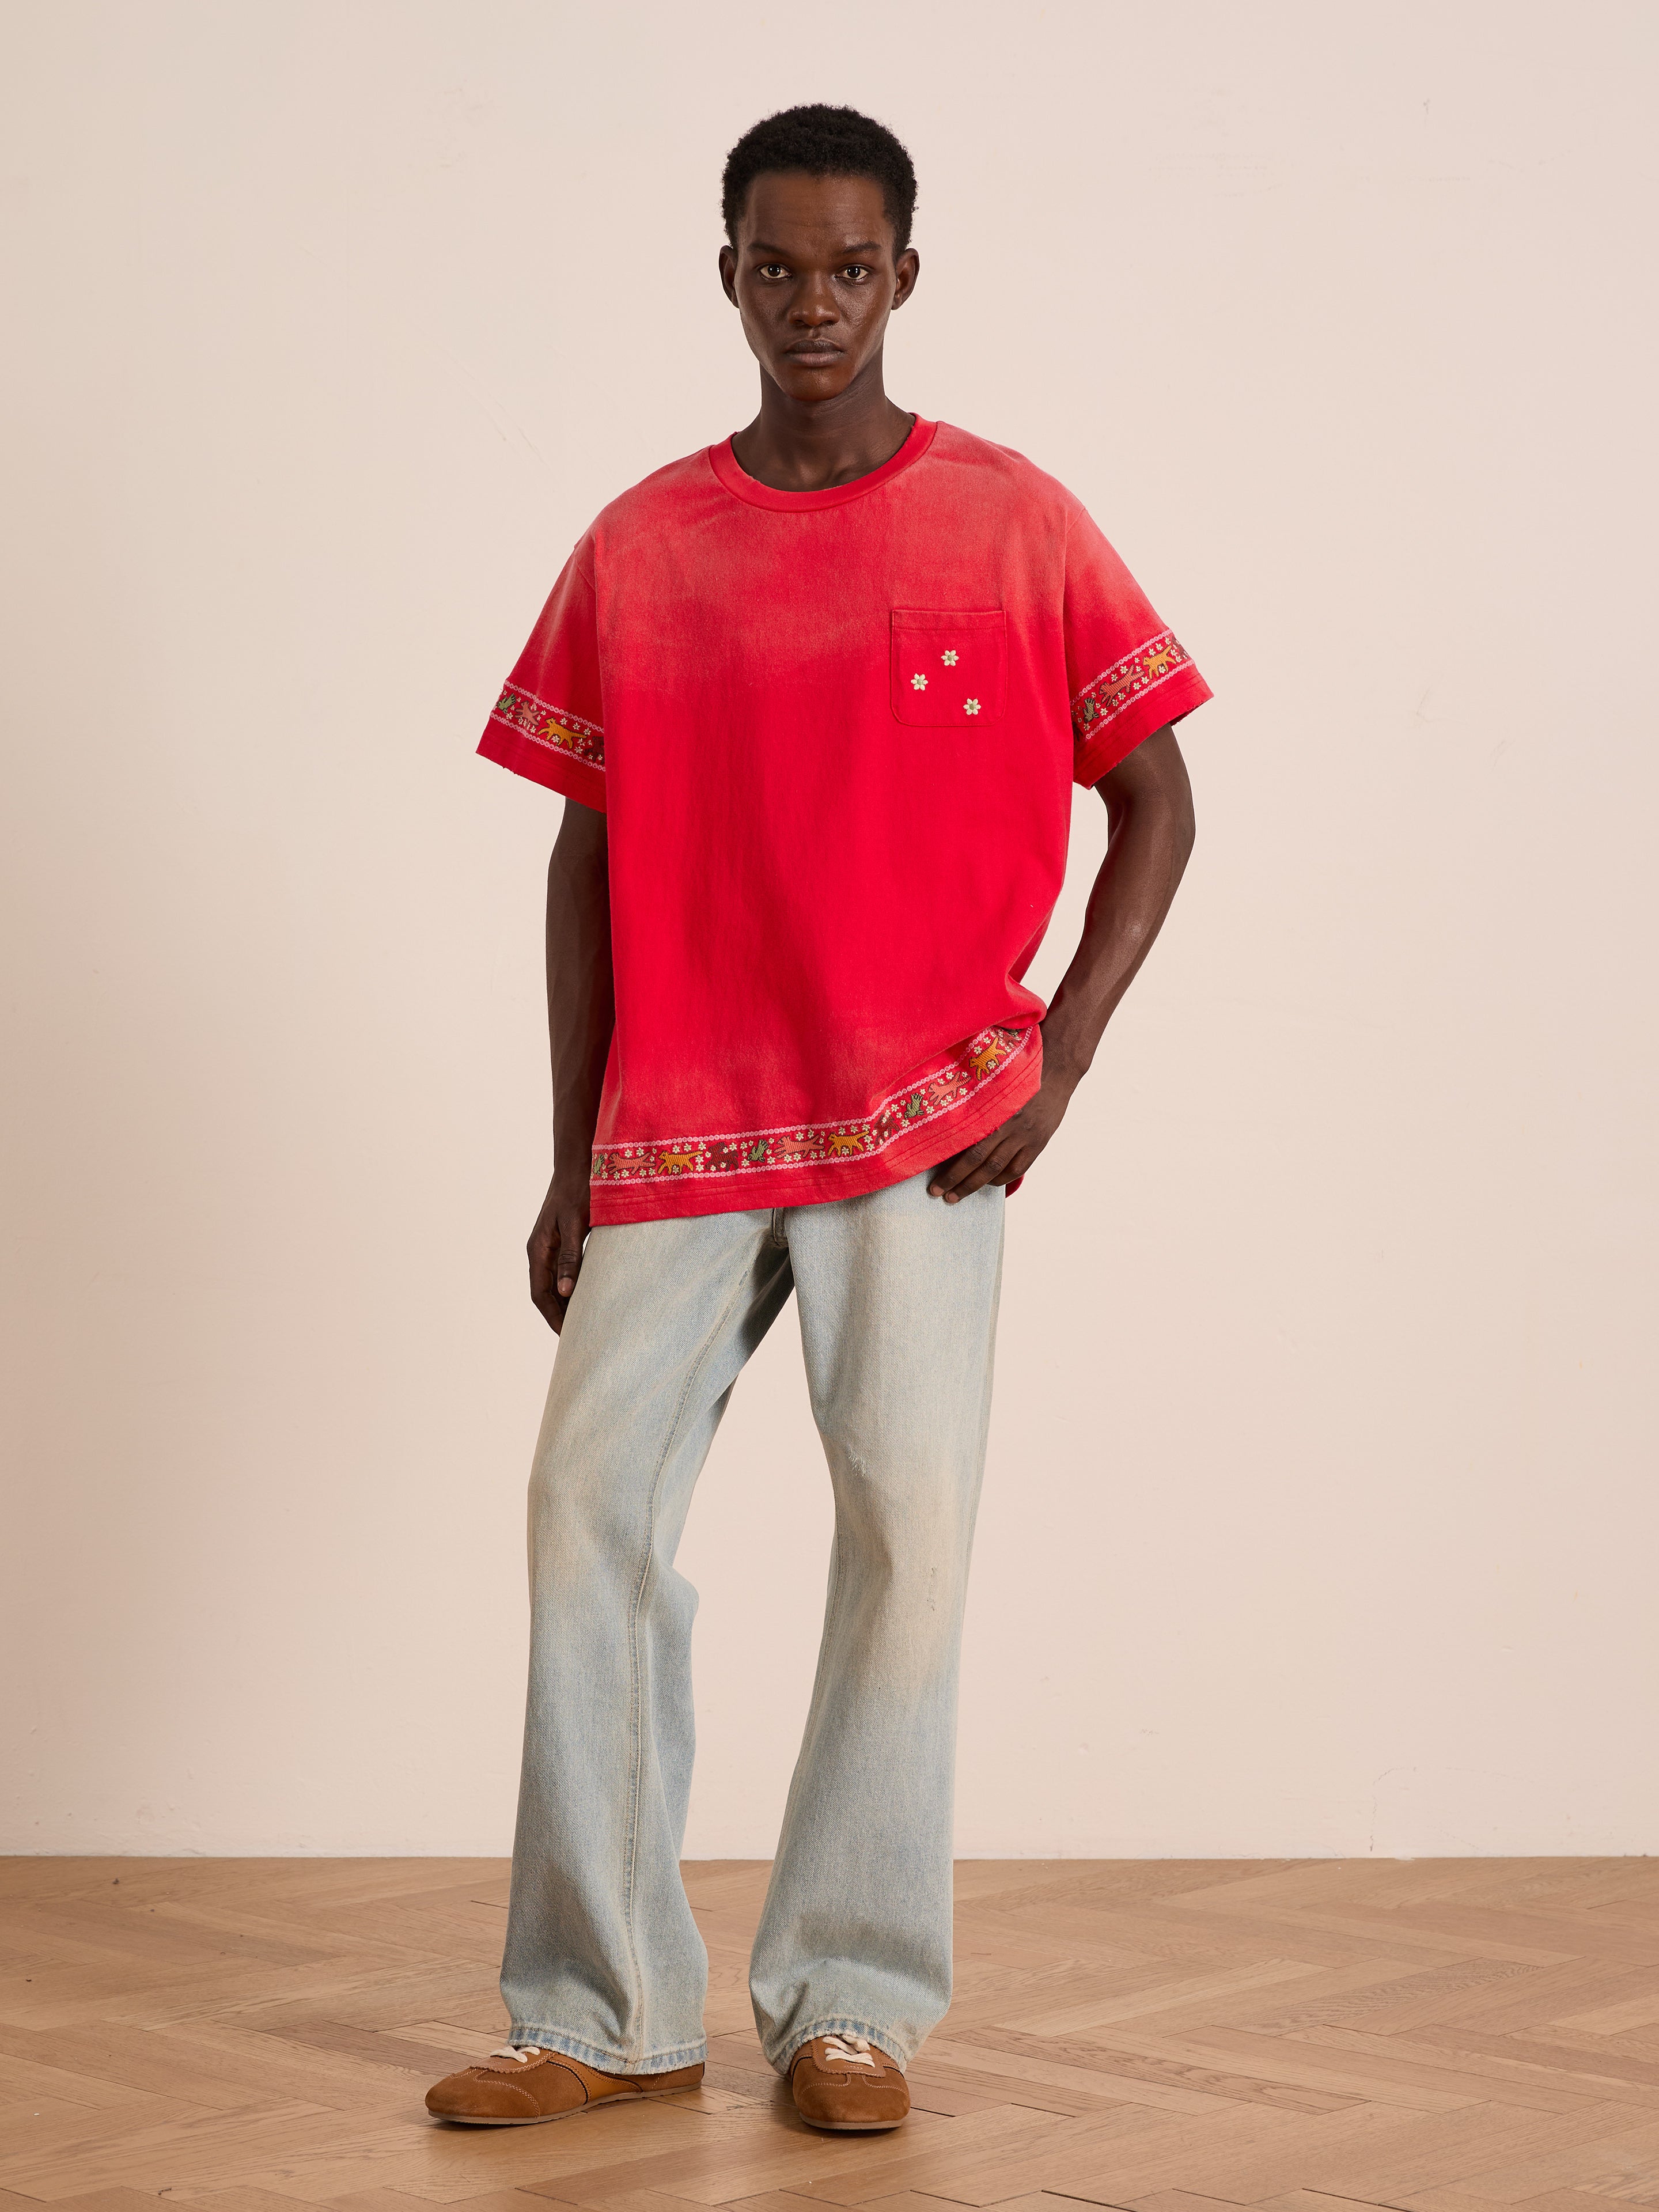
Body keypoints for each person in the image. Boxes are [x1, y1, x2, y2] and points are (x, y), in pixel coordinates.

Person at [426, 102, 1208, 2135]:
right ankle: (601, 2011)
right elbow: (582, 861)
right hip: (679, 1123)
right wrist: (566, 1142)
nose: (814, 305)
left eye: (851, 268)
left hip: (932, 1118)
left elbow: (1159, 799)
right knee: (584, 1516)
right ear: (728, 276)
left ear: (907, 279)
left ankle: (850, 1999)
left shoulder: (1016, 520)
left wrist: (1067, 1049)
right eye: (777, 268)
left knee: (909, 1543)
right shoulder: (644, 542)